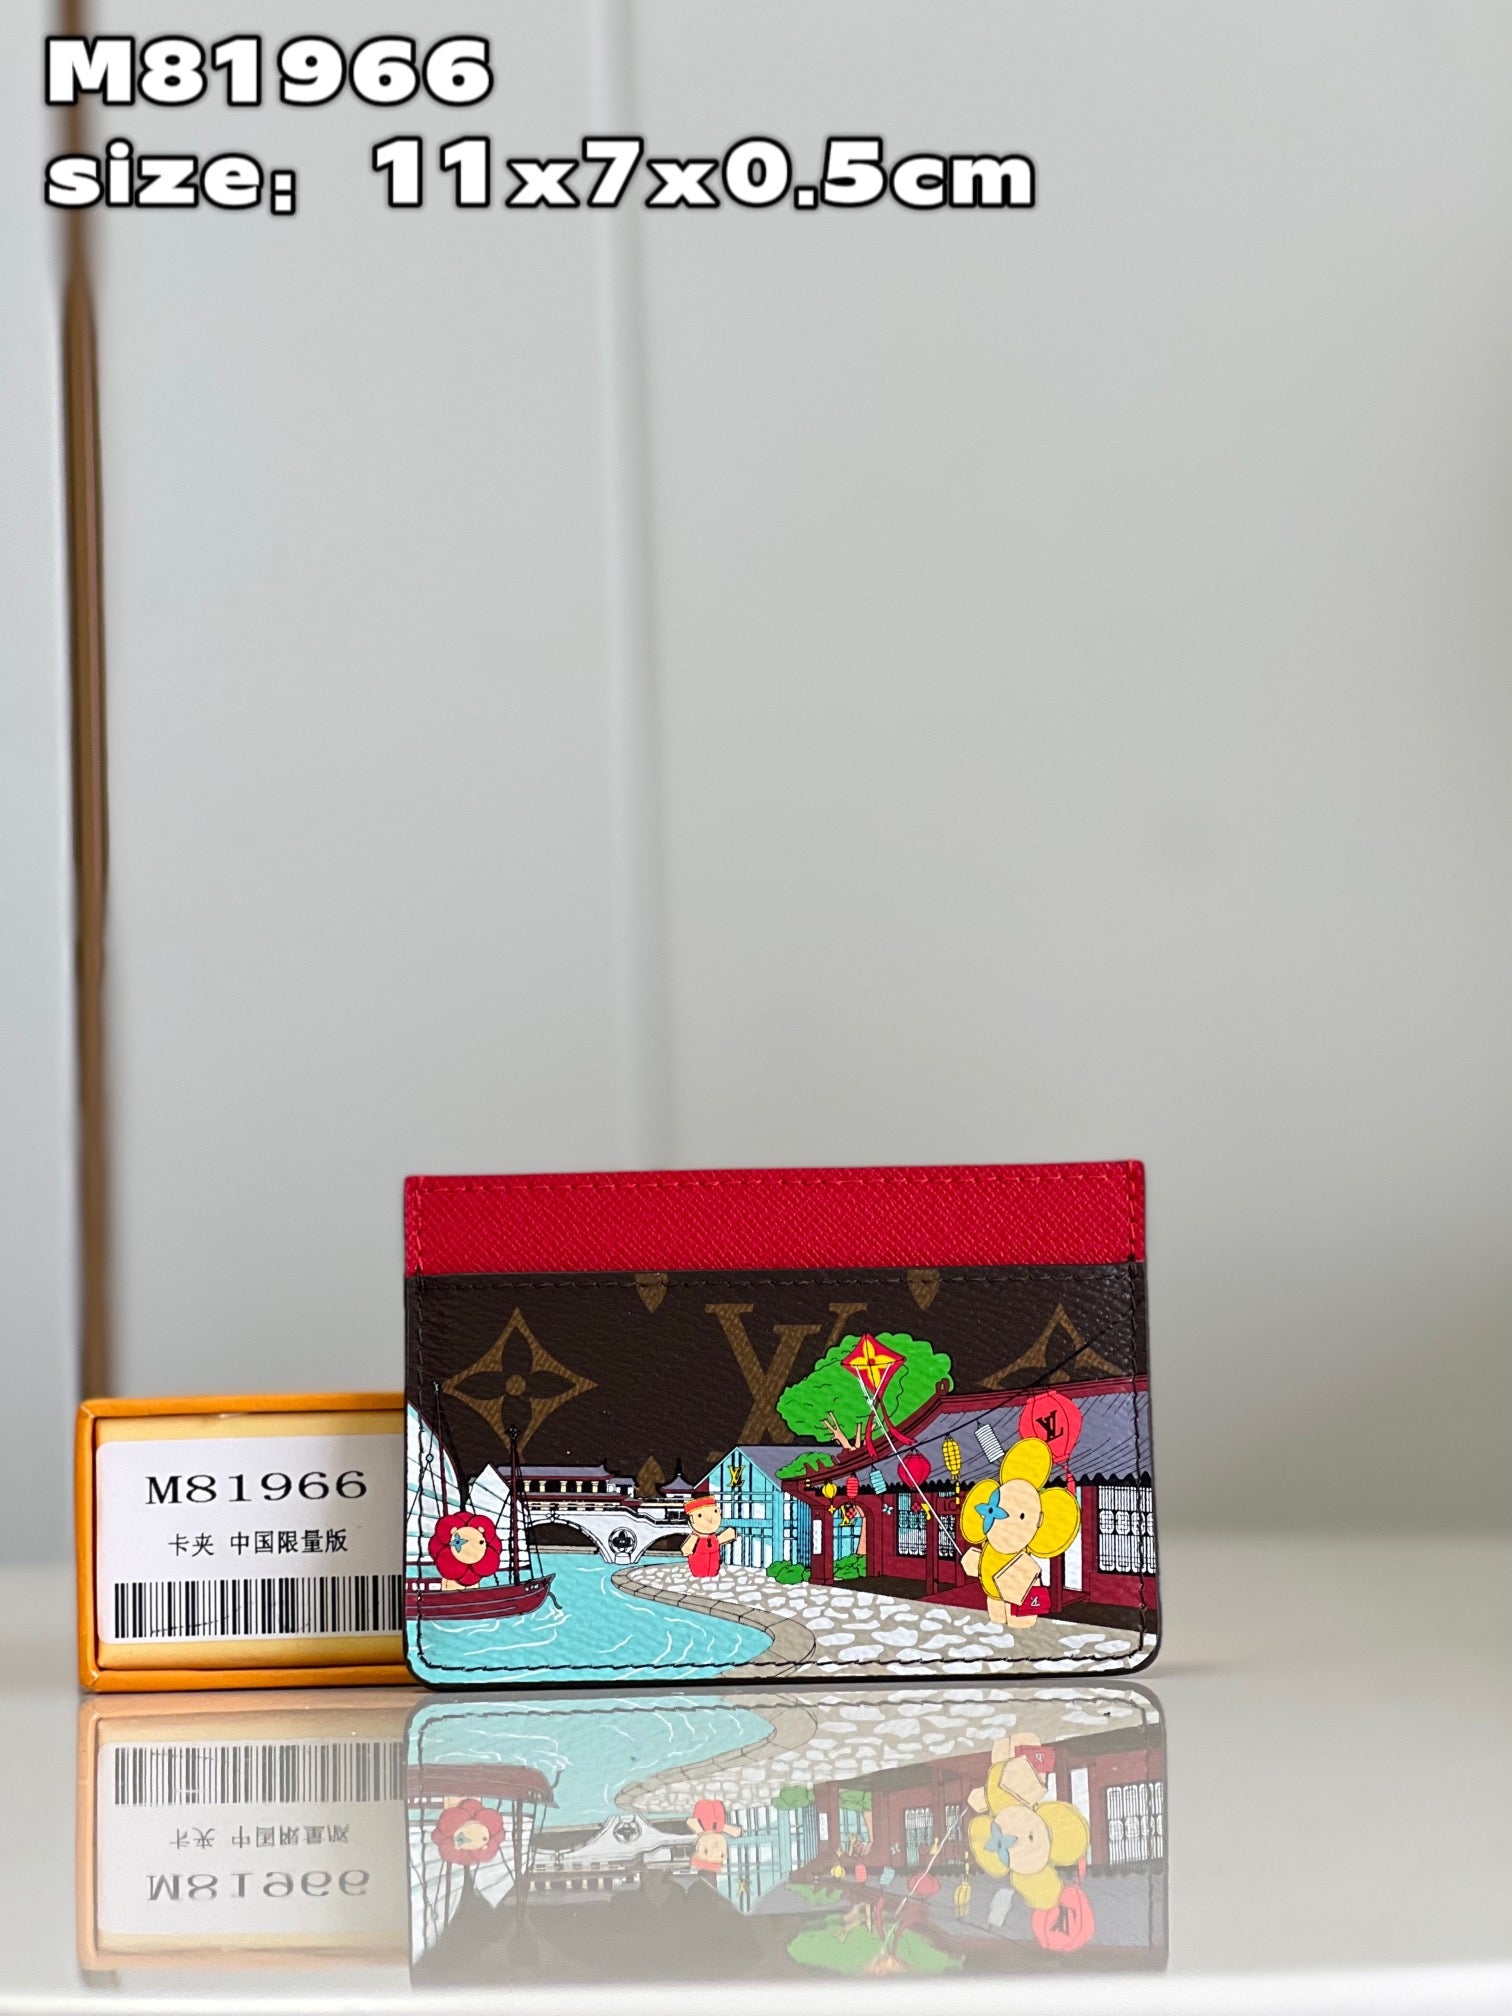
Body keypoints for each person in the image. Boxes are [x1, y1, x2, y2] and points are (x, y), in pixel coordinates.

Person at [680, 1487, 735, 1578]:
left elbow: (720, 1540)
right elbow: (686, 1549)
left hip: (714, 1568)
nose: (710, 1519)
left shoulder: (713, 1538)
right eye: (700, 1515)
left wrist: (729, 1534)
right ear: (691, 1519)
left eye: (715, 1512)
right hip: (698, 1569)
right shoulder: (694, 1538)